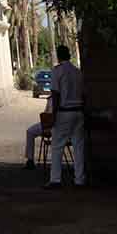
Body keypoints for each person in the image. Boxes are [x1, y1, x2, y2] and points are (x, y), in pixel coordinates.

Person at [45, 43, 86, 188]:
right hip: (78, 112)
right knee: (79, 147)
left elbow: (55, 94)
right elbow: (83, 94)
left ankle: (55, 179)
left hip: (64, 112)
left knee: (57, 147)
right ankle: (79, 179)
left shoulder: (57, 71)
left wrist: (53, 116)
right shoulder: (78, 72)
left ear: (59, 56)